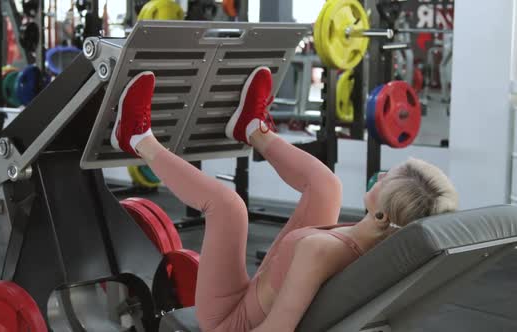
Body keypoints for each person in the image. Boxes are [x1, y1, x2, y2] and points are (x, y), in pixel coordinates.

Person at [110, 67, 459, 332]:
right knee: (327, 186)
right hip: (262, 287)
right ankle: (251, 129)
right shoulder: (378, 242)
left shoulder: (320, 251)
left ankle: (137, 138)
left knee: (228, 207)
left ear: (384, 211)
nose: (381, 176)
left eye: (389, 179)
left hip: (230, 320)